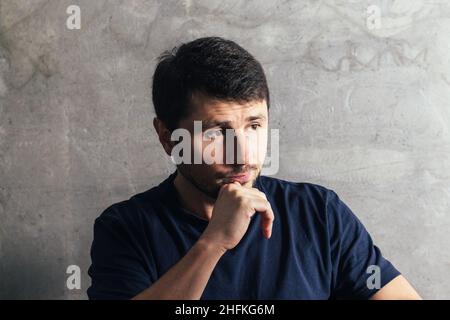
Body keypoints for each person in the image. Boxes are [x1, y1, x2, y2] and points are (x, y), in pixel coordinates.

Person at [87, 37, 421, 300]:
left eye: (255, 125)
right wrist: (214, 242)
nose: (243, 156)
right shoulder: (124, 229)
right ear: (168, 138)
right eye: (217, 132)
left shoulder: (319, 213)